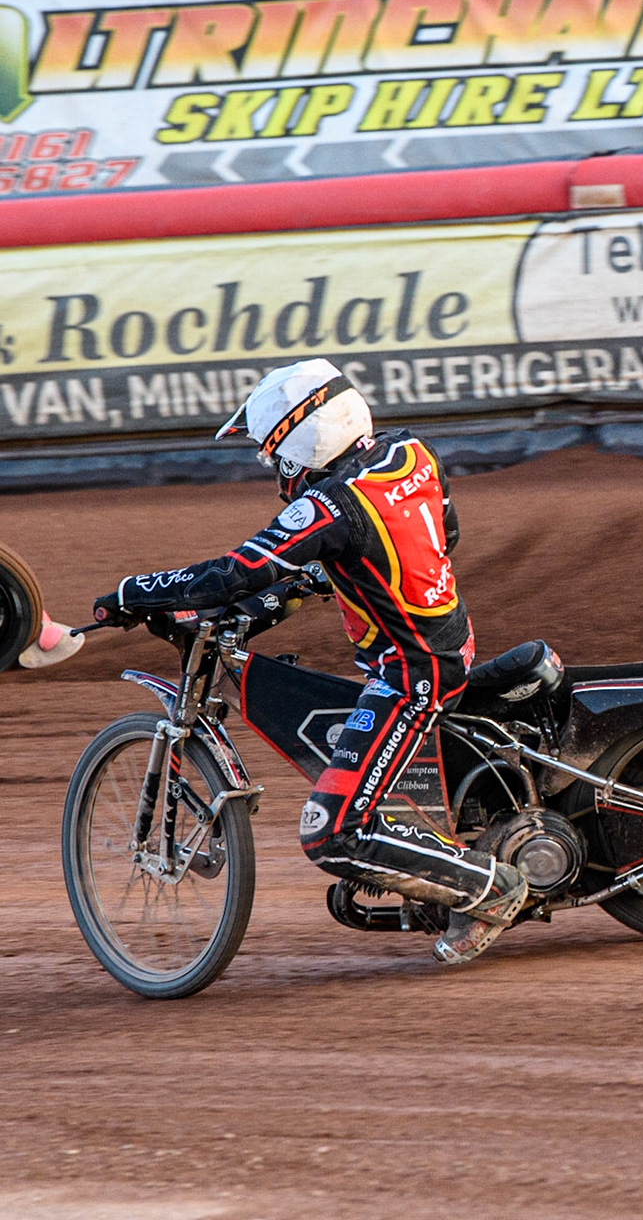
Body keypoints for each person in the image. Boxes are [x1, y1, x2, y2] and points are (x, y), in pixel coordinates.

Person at [91, 359, 526, 965]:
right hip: (443, 642)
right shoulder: (410, 452)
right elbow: (439, 538)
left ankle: (489, 888)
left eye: (276, 457)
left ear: (302, 440)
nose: (277, 474)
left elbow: (235, 572)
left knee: (331, 830)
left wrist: (134, 591)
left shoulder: (331, 505)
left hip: (412, 674)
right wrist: (323, 578)